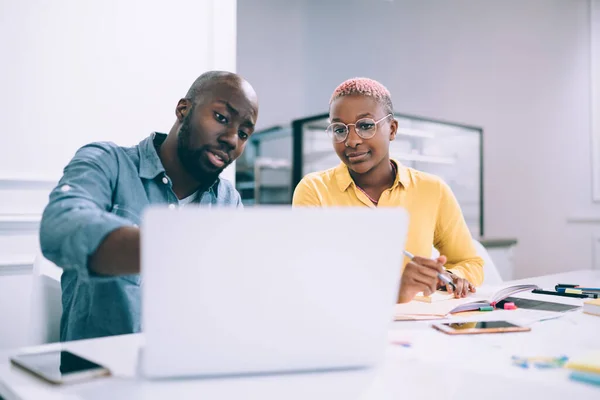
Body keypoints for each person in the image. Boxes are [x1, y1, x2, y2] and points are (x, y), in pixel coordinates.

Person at [40, 71, 259, 341]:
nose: (232, 139)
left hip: (186, 370)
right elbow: (59, 226)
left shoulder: (229, 201)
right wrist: (177, 249)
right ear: (183, 110)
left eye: (243, 133)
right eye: (221, 118)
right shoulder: (108, 162)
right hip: (99, 375)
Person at [292, 77, 483, 303]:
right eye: (339, 129)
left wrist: (450, 277)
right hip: (344, 327)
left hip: (419, 330)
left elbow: (471, 263)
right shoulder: (314, 190)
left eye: (365, 126)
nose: (351, 141)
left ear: (392, 129)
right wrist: (395, 291)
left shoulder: (433, 190)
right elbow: (309, 278)